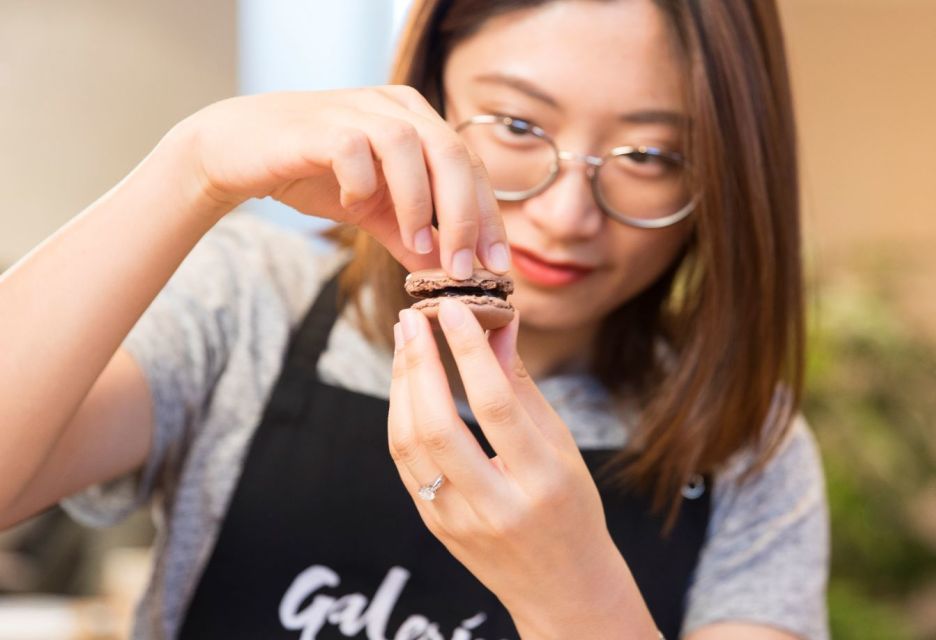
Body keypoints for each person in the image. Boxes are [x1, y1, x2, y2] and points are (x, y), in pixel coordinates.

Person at [0, 0, 829, 638]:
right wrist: (191, 167)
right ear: (427, 94)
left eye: (651, 157)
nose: (571, 213)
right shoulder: (249, 301)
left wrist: (578, 592)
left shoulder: (751, 448)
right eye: (515, 124)